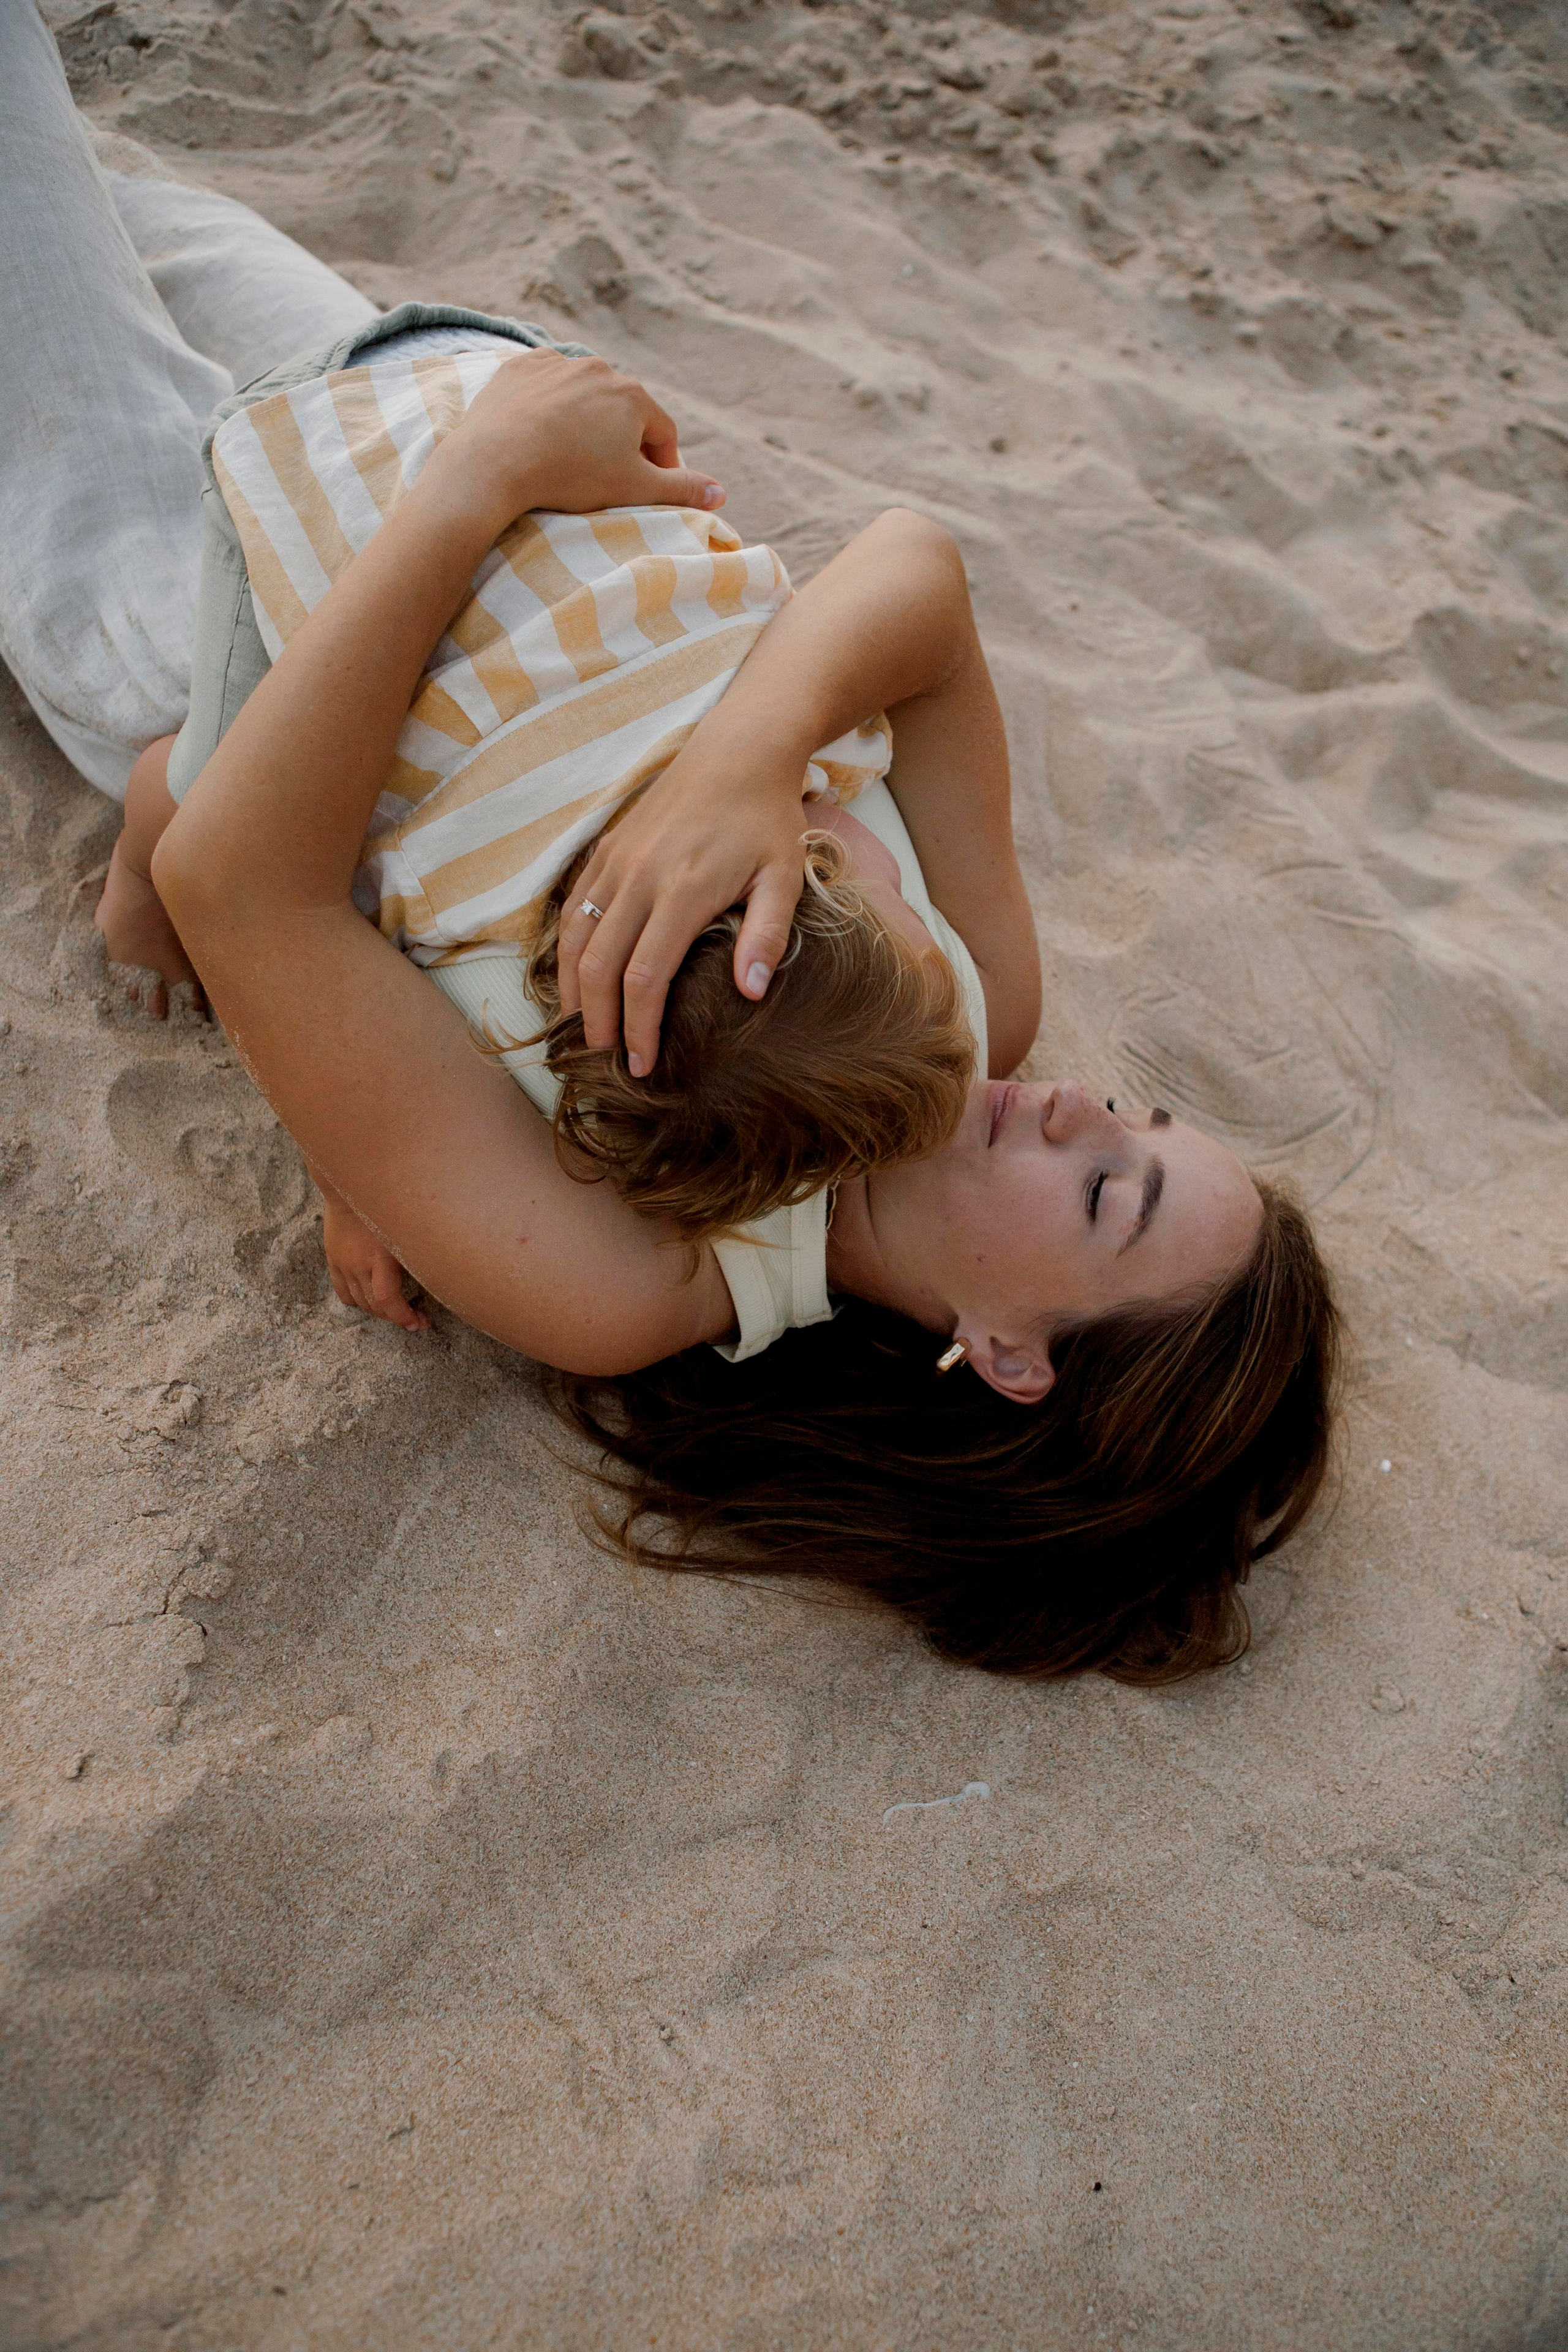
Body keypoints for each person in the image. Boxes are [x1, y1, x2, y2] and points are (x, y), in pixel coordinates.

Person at [2, 4, 1340, 1681]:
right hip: (445, 381)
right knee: (106, 198)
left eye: (1107, 1185)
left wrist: (475, 493)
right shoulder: (981, 1000)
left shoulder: (624, 1272)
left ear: (1013, 1357)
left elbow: (236, 880)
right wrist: (745, 757)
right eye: (1144, 1114)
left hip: (235, 575)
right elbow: (917, 577)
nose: (1081, 1098)